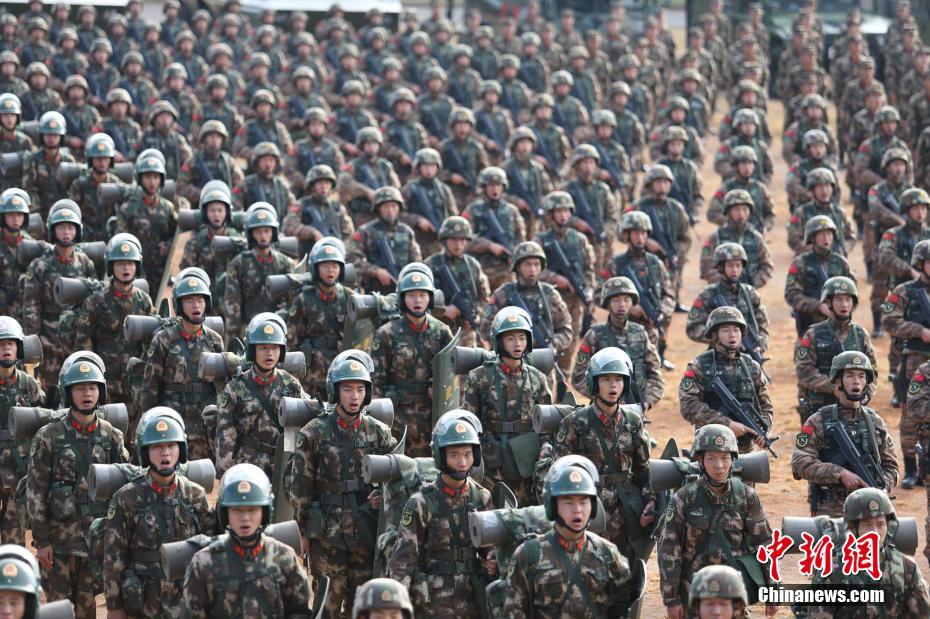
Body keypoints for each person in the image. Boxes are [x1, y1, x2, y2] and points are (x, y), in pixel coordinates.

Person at [285, 356, 397, 616]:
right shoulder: (313, 432)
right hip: (327, 534)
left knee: (364, 605)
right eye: (347, 389)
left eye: (360, 389)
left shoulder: (379, 432)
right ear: (335, 391)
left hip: (365, 533)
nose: (354, 396)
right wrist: (303, 532)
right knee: (327, 606)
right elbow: (300, 488)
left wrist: (382, 494)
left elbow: (397, 478)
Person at [27, 358, 128, 618]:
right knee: (57, 611)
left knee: (87, 610)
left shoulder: (112, 437)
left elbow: (124, 490)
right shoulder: (48, 436)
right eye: (80, 388)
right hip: (58, 542)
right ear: (68, 392)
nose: (87, 394)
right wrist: (42, 541)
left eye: (92, 387)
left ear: (100, 392)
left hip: (94, 543)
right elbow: (36, 491)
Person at [104, 408, 214, 618]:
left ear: (181, 449)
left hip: (186, 602)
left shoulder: (195, 495)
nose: (165, 452)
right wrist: (114, 606)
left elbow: (212, 547)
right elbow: (113, 557)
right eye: (157, 446)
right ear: (145, 452)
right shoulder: (126, 498)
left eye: (171, 445)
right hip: (143, 602)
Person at [658, 424, 775, 619]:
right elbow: (669, 549)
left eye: (725, 458)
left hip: (733, 594)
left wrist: (773, 590)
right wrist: (671, 599)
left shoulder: (746, 496)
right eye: (711, 458)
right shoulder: (684, 498)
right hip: (693, 594)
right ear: (700, 460)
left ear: (733, 460)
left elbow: (765, 544)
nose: (719, 465)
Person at [388, 410, 494, 614]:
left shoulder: (481, 497)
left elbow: (489, 548)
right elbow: (403, 561)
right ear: (441, 456)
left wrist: (493, 560)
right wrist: (398, 607)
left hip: (471, 597)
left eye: (467, 454)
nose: (462, 462)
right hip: (433, 600)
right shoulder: (420, 503)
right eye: (455, 455)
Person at [554, 347, 654, 565]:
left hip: (625, 510)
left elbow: (643, 469)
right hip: (588, 507)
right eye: (606, 379)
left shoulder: (633, 422)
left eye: (618, 379)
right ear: (594, 383)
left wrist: (650, 501)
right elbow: (559, 474)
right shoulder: (575, 423)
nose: (613, 385)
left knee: (624, 569)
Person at [503, 456, 631, 617]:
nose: (577, 510)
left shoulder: (607, 553)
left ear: (593, 507)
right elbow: (514, 612)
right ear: (553, 507)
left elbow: (622, 605)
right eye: (568, 502)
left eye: (583, 502)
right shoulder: (528, 556)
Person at [181, 463, 311, 617]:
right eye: (237, 510)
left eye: (252, 509)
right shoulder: (203, 563)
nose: (245, 518)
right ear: (225, 514)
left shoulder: (285, 558)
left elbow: (301, 612)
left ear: (265, 512)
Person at [791, 351, 899, 516]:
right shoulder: (817, 421)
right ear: (837, 381)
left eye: (861, 376)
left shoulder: (875, 422)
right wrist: (839, 473)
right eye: (850, 375)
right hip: (830, 510)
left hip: (868, 510)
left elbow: (891, 467)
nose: (856, 381)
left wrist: (881, 488)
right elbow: (799, 463)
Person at [794, 488, 930, 618]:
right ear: (854, 529)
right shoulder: (833, 572)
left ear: (889, 527)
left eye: (880, 524)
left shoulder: (906, 568)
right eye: (867, 524)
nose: (875, 532)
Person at [464, 306, 552, 506]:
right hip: (491, 463)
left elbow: (546, 424)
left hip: (526, 461)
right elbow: (469, 421)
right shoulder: (479, 377)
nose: (517, 344)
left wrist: (546, 448)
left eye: (522, 338)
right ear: (499, 341)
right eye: (510, 338)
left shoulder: (538, 378)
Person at [137, 268, 224, 461]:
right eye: (189, 301)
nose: (196, 305)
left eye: (200, 300)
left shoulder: (214, 340)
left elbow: (221, 386)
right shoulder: (164, 339)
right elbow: (150, 387)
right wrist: (148, 423)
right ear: (179, 304)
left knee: (201, 474)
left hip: (203, 425)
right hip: (172, 424)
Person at [74, 233, 154, 433]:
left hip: (134, 381)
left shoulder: (144, 301)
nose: (126, 268)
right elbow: (83, 342)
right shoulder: (96, 301)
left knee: (136, 433)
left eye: (130, 263)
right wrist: (92, 379)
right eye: (120, 263)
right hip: (105, 380)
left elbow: (151, 344)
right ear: (111, 267)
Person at [370, 265, 452, 456]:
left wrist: (441, 390)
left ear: (430, 298)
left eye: (422, 295)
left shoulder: (442, 332)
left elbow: (453, 377)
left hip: (433, 416)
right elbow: (375, 382)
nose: (417, 300)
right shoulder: (386, 334)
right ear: (402, 298)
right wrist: (381, 421)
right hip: (398, 417)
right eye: (411, 295)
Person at [215, 313, 304, 479]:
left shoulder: (291, 385)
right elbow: (225, 434)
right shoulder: (235, 388)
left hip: (280, 465)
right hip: (246, 464)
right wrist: (227, 472)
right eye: (263, 348)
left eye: (275, 348)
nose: (269, 353)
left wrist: (287, 460)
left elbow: (296, 428)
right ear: (252, 350)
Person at [679, 306, 775, 455]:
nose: (732, 335)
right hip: (711, 448)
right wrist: (726, 424)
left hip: (745, 452)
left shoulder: (752, 367)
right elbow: (688, 406)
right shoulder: (699, 365)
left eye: (736, 330)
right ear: (714, 334)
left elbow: (766, 407)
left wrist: (763, 430)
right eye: (726, 330)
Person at [22, 200, 97, 388]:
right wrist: (33, 346)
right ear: (52, 230)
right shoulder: (40, 266)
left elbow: (93, 301)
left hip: (77, 341)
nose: (66, 232)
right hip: (49, 344)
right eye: (61, 227)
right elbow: (31, 308)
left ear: (77, 231)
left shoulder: (85, 263)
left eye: (70, 228)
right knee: (51, 394)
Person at [571, 277, 663, 408]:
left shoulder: (641, 334)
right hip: (603, 410)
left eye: (626, 300)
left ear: (633, 302)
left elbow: (655, 373)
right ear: (607, 303)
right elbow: (578, 376)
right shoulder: (594, 335)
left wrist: (647, 403)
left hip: (637, 408)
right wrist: (604, 399)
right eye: (616, 300)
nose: (622, 304)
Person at [795, 277, 876, 423]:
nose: (844, 304)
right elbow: (803, 370)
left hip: (853, 409)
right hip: (820, 407)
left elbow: (872, 371)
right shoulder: (813, 334)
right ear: (828, 302)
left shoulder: (860, 335)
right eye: (838, 299)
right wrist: (833, 387)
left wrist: (866, 394)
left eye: (848, 299)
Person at [286, 238, 351, 397]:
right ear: (316, 268)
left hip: (340, 372)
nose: (330, 271)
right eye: (325, 266)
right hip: (311, 373)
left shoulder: (349, 297)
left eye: (334, 266)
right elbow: (291, 339)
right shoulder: (303, 299)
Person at [0, 316, 44, 545]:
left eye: (10, 343)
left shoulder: (28, 384)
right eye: (1, 344)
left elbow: (45, 422)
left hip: (18, 470)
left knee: (13, 536)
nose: (6, 348)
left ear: (19, 348)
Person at [222, 202, 293, 339]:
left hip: (277, 327)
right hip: (247, 329)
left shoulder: (284, 263)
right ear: (251, 233)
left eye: (267, 231)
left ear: (273, 232)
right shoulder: (238, 263)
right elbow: (232, 301)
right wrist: (234, 336)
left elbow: (292, 299)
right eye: (258, 231)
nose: (263, 236)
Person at [423, 216, 491, 348]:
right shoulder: (431, 264)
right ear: (445, 240)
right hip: (438, 330)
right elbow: (419, 299)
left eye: (462, 240)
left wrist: (477, 313)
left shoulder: (473, 265)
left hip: (467, 332)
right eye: (453, 239)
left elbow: (484, 297)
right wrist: (443, 311)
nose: (458, 244)